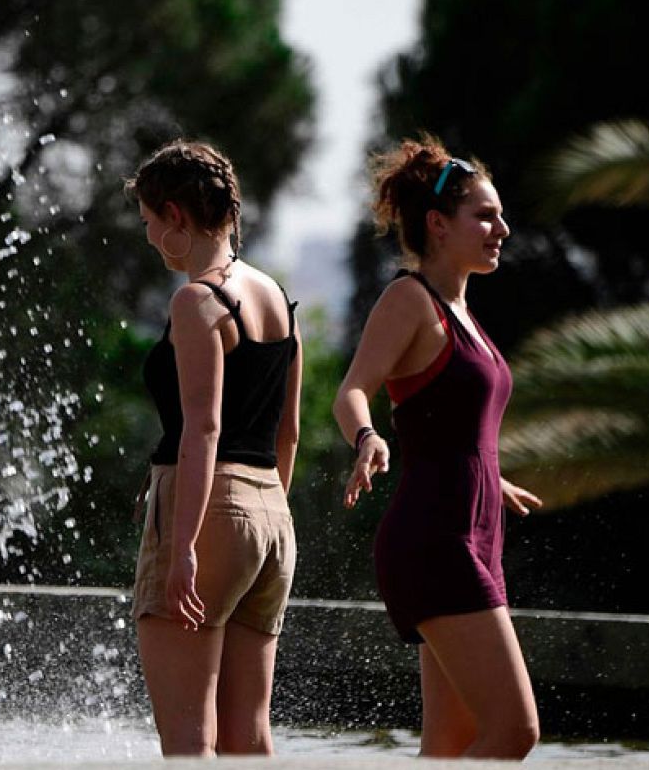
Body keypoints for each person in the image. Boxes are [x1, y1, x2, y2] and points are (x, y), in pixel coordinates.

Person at [332, 136, 543, 759]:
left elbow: (452, 423)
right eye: (485, 215)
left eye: (500, 214)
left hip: (474, 534)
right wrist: (367, 436)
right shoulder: (411, 299)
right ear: (437, 224)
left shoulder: (465, 312)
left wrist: (488, 478)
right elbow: (351, 391)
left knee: (451, 744)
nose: (501, 227)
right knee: (514, 731)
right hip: (434, 541)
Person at [125, 140, 302, 757]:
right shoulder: (278, 298)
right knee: (249, 738)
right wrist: (266, 516)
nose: (149, 239)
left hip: (205, 509)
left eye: (149, 223)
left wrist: (183, 550)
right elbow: (289, 434)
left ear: (176, 216)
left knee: (188, 741)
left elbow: (203, 429)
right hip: (272, 518)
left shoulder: (197, 301)